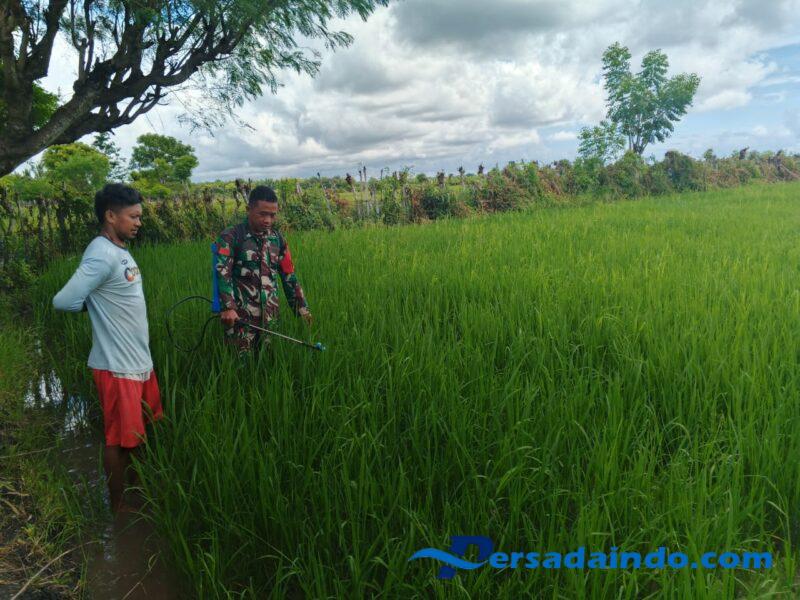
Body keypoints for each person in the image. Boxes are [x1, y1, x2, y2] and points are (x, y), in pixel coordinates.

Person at [53, 183, 161, 514]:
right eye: (133, 216)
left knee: (139, 434)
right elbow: (63, 300)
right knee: (118, 439)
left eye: (139, 216)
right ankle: (119, 507)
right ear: (111, 216)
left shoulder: (118, 249)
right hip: (116, 366)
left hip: (139, 361)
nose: (139, 222)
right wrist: (93, 307)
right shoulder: (101, 253)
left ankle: (139, 492)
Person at [215, 185, 312, 354]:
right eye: (262, 214)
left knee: (268, 361)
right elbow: (223, 273)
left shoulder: (278, 239)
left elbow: (289, 275)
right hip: (240, 319)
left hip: (270, 319)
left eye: (272, 215)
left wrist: (302, 309)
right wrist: (228, 307)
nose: (268, 220)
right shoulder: (231, 236)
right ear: (249, 210)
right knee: (240, 363)